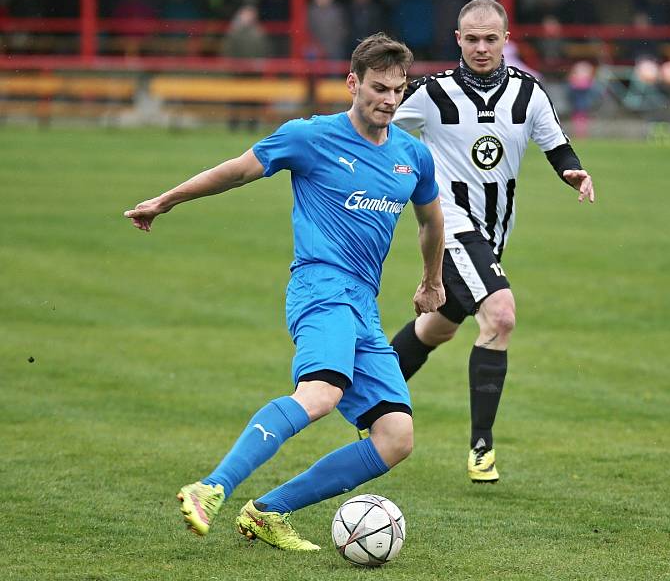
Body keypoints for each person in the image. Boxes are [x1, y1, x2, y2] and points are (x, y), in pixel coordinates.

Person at [123, 33, 445, 550]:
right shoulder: (310, 137)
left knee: (396, 437)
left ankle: (267, 512)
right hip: (320, 288)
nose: (389, 100)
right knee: (320, 394)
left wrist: (432, 281)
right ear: (352, 83)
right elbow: (236, 171)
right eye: (378, 88)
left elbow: (431, 221)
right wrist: (167, 199)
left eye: (398, 90)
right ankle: (212, 487)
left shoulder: (412, 155)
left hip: (363, 303)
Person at [389, 0, 595, 484]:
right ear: (458, 40)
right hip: (452, 225)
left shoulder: (529, 93)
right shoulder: (430, 93)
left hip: (495, 232)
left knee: (437, 328)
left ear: (506, 40)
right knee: (500, 314)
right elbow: (373, 123)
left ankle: (365, 396)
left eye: (491, 38)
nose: (481, 47)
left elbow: (555, 143)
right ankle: (481, 446)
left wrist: (572, 172)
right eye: (472, 39)